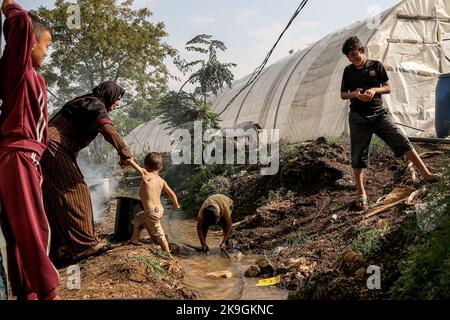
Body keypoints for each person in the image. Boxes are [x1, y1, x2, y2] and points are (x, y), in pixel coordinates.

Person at [0, 0, 60, 300]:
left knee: (17, 229)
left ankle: (27, 292)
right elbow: (22, 21)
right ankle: (48, 292)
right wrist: (10, 5)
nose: (47, 53)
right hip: (19, 155)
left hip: (24, 157)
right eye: (46, 45)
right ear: (29, 42)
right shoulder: (19, 70)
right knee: (35, 226)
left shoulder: (32, 77)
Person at [340, 36, 436, 210]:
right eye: (349, 56)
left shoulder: (376, 66)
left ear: (362, 50)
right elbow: (343, 94)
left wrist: (374, 90)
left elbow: (388, 87)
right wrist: (355, 94)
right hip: (358, 118)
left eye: (354, 54)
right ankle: (361, 194)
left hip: (379, 114)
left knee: (401, 140)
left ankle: (427, 175)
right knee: (358, 154)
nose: (353, 58)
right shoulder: (348, 71)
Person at [41, 81, 133, 261]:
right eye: (118, 98)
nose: (119, 103)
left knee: (54, 198)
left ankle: (62, 248)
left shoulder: (86, 102)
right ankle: (85, 246)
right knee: (77, 190)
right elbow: (108, 129)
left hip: (51, 148)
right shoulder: (94, 103)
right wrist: (125, 152)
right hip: (53, 147)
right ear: (110, 95)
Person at [125, 153, 180, 253]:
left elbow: (131, 163)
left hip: (151, 212)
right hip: (158, 209)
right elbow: (172, 194)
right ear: (161, 167)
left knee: (160, 235)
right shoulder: (162, 181)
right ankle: (134, 239)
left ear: (145, 165)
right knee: (139, 219)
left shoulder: (146, 174)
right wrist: (176, 205)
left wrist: (129, 159)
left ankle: (168, 255)